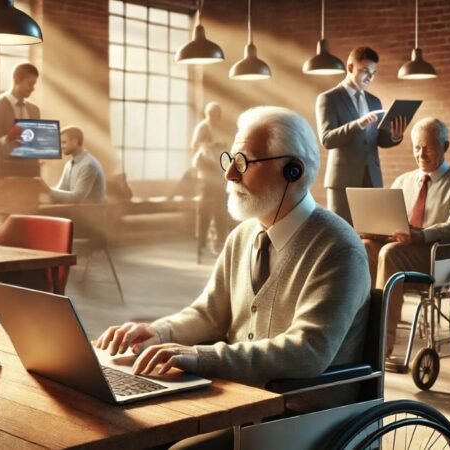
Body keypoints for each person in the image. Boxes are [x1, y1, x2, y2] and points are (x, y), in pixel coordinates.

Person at [95, 106, 370, 449]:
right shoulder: (243, 236)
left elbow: (309, 350)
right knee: (128, 432)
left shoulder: (338, 248)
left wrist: (201, 356)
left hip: (300, 416)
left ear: (292, 171)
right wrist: (158, 331)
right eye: (230, 161)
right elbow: (209, 314)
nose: (229, 175)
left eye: (243, 163)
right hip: (238, 403)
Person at [361, 118, 450, 357]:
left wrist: (421, 235)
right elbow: (388, 219)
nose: (421, 154)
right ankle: (361, 331)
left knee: (389, 253)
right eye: (417, 147)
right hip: (401, 249)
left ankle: (381, 345)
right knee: (364, 247)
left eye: (429, 147)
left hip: (438, 255)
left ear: (445, 147)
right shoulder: (403, 181)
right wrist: (374, 228)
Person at [315, 46, 406, 224]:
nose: (370, 77)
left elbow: (378, 140)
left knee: (374, 231)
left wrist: (395, 136)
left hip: (372, 178)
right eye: (365, 71)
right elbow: (327, 139)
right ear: (349, 68)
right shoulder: (328, 98)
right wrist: (359, 123)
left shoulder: (374, 100)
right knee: (343, 234)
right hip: (342, 181)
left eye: (373, 72)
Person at [0, 62, 42, 180]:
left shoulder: (35, 110)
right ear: (17, 80)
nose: (33, 89)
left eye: (34, 84)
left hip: (31, 181)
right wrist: (5, 141)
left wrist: (46, 146)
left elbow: (34, 145)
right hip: (0, 181)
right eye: (30, 84)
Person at [191, 102, 229, 254]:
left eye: (216, 113)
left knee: (220, 210)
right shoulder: (203, 127)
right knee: (205, 209)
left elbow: (226, 146)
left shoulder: (220, 127)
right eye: (211, 113)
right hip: (206, 173)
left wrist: (221, 146)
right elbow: (194, 145)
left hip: (219, 173)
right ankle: (201, 242)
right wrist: (210, 145)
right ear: (207, 114)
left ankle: (219, 242)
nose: (214, 116)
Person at [36, 126, 106, 204]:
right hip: (75, 211)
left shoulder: (88, 165)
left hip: (90, 213)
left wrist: (47, 190)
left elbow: (77, 198)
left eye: (64, 142)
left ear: (75, 142)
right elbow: (60, 190)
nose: (61, 146)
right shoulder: (69, 164)